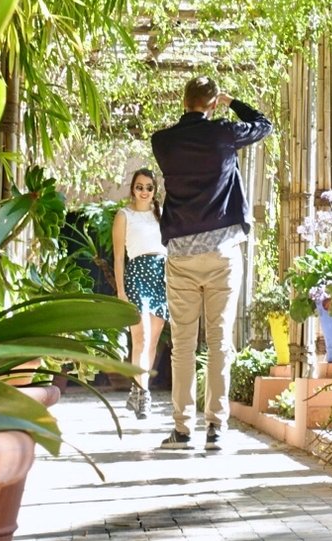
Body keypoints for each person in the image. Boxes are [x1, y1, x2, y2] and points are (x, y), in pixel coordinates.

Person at [150, 76, 272, 450]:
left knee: (183, 345)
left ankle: (182, 428)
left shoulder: (162, 141)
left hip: (181, 256)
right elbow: (263, 125)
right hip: (221, 252)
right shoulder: (223, 134)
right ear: (213, 102)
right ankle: (216, 427)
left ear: (183, 101)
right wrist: (233, 101)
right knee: (219, 342)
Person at [111, 167, 167, 420]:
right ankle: (143, 394)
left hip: (161, 276)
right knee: (141, 337)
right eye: (139, 187)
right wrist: (121, 290)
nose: (144, 192)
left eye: (149, 188)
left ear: (155, 191)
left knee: (153, 340)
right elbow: (119, 257)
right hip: (136, 274)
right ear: (132, 189)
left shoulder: (161, 215)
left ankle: (137, 390)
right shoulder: (124, 215)